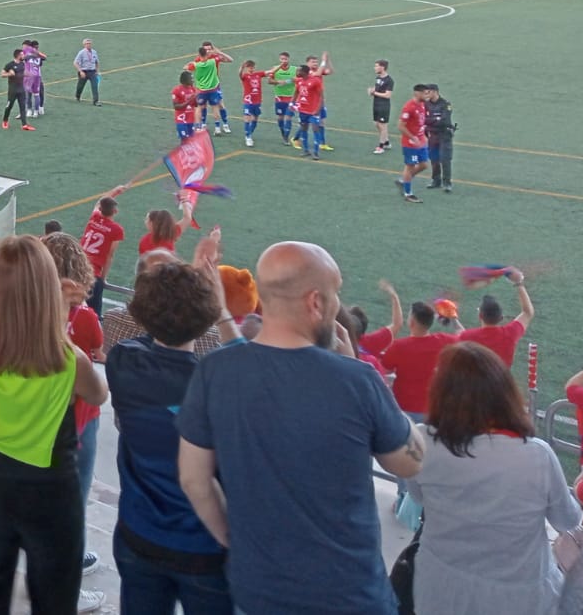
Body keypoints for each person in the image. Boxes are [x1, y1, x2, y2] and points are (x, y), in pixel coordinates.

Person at [177, 241, 425, 615]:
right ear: (315, 302)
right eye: (334, 293)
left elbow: (194, 481)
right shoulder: (356, 380)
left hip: (256, 591)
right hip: (349, 596)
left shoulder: (215, 371)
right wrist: (361, 370)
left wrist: (233, 539)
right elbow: (410, 462)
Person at [0, 236, 109, 615]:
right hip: (49, 493)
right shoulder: (67, 359)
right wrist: (59, 306)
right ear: (49, 289)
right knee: (55, 595)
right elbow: (99, 394)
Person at [410, 341, 581, 615]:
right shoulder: (536, 456)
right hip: (519, 598)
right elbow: (568, 520)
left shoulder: (421, 442)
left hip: (439, 591)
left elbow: (418, 496)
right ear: (503, 392)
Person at [108, 255, 234, 615]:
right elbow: (247, 364)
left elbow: (154, 326)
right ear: (206, 317)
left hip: (137, 535)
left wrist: (166, 299)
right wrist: (222, 311)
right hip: (205, 547)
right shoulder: (217, 384)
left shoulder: (122, 360)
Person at [44, 232, 107, 606]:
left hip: (40, 417)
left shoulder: (23, 314)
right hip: (80, 419)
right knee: (74, 500)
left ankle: (59, 557)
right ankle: (66, 584)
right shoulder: (85, 318)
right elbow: (97, 361)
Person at [458, 268, 534, 365]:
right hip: (502, 380)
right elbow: (528, 312)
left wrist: (453, 319)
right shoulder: (510, 334)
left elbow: (459, 336)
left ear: (480, 315)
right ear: (501, 318)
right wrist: (519, 283)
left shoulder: (467, 336)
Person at [79, 187, 127, 316]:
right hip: (92, 273)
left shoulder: (94, 217)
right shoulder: (117, 230)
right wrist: (103, 278)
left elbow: (98, 202)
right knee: (93, 313)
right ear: (115, 211)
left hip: (77, 266)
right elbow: (109, 255)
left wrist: (116, 190)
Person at [188, 42, 232, 134]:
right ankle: (203, 124)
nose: (208, 51)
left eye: (209, 49)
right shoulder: (199, 60)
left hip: (215, 86)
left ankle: (225, 124)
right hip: (204, 87)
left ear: (212, 49)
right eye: (206, 49)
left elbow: (230, 60)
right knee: (203, 105)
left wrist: (219, 52)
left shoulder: (215, 57)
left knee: (220, 105)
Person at [397, 82, 430, 201]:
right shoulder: (409, 107)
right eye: (425, 93)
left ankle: (403, 180)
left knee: (424, 165)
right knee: (410, 166)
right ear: (417, 93)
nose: (427, 96)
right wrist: (412, 137)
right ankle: (408, 193)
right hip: (410, 144)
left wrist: (423, 136)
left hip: (421, 141)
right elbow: (400, 126)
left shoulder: (422, 104)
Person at [426, 81, 457, 191]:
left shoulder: (445, 104)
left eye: (428, 92)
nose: (426, 94)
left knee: (445, 159)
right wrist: (435, 120)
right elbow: (424, 120)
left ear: (435, 92)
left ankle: (447, 183)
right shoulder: (426, 104)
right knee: (434, 159)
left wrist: (431, 121)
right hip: (432, 136)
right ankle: (436, 180)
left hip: (444, 135)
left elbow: (445, 120)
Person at [266, 51, 297, 144]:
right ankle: (283, 133)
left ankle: (286, 137)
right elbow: (269, 81)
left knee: (288, 117)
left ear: (288, 59)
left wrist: (287, 81)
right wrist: (279, 82)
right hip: (279, 97)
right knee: (280, 117)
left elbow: (297, 79)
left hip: (291, 97)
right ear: (279, 59)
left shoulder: (294, 69)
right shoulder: (275, 69)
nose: (283, 61)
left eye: (285, 59)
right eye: (282, 59)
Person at [235, 58, 265, 148]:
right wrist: (241, 67)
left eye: (252, 67)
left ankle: (249, 133)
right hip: (248, 101)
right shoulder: (245, 76)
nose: (251, 69)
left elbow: (268, 72)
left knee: (255, 120)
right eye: (249, 67)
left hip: (257, 101)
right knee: (247, 118)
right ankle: (248, 137)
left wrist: (279, 66)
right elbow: (239, 74)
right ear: (246, 68)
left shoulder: (258, 74)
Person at [0, 49, 30, 130]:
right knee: (9, 106)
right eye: (22, 54)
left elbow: (22, 73)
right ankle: (5, 121)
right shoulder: (10, 65)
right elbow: (2, 74)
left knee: (22, 107)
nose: (23, 56)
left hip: (21, 89)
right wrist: (9, 74)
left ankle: (24, 125)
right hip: (13, 90)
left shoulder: (22, 64)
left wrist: (27, 74)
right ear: (18, 56)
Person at [369, 59, 394, 153]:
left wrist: (374, 93)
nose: (374, 68)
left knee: (382, 125)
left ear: (382, 67)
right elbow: (377, 89)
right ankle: (386, 142)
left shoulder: (389, 80)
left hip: (384, 106)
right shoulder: (378, 78)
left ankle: (381, 146)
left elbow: (388, 95)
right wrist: (372, 91)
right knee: (376, 124)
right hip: (376, 104)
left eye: (376, 66)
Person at [172, 69, 199, 140]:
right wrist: (189, 100)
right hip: (181, 119)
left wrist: (196, 98)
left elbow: (196, 105)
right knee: (185, 140)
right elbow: (176, 107)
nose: (193, 80)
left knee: (190, 140)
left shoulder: (192, 89)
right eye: (191, 78)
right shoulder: (176, 90)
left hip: (190, 119)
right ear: (185, 80)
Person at [74, 39, 100, 105]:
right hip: (84, 71)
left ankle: (96, 101)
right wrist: (80, 71)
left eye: (90, 43)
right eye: (87, 43)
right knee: (80, 86)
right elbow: (75, 63)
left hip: (92, 72)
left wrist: (97, 71)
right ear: (84, 45)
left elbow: (96, 62)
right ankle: (77, 96)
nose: (88, 45)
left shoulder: (94, 52)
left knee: (95, 86)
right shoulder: (81, 53)